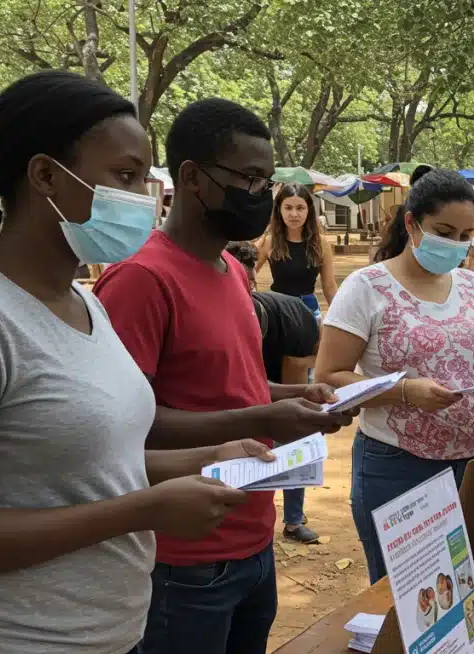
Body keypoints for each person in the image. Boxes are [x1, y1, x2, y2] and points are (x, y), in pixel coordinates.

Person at [0, 71, 282, 654]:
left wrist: (209, 457)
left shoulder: (85, 304)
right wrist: (142, 511)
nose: (142, 199)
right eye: (124, 176)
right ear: (45, 174)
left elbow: (93, 467)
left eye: (144, 180)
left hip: (113, 633)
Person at [92, 98, 352, 654]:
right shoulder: (140, 280)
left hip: (254, 537)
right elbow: (119, 429)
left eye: (267, 180)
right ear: (193, 178)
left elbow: (233, 385)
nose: (262, 195)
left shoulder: (232, 269)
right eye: (250, 179)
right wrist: (267, 415)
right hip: (183, 557)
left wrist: (298, 395)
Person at [316, 166, 474, 584]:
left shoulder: (473, 286)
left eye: (464, 236)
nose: (456, 244)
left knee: (463, 587)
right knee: (404, 596)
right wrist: (403, 392)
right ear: (411, 223)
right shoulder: (366, 287)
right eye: (444, 231)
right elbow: (328, 377)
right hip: (398, 466)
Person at [226, 240, 323, 545]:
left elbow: (288, 394)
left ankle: (293, 520)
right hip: (245, 383)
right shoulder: (214, 324)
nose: (240, 290)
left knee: (294, 435)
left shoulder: (290, 321)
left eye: (247, 282)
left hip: (284, 369)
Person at [255, 183, 338, 322]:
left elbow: (329, 286)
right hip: (277, 310)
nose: (294, 214)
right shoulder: (269, 241)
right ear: (279, 210)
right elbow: (245, 274)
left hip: (309, 312)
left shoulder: (321, 243)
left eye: (300, 208)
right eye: (288, 208)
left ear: (308, 210)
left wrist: (340, 318)